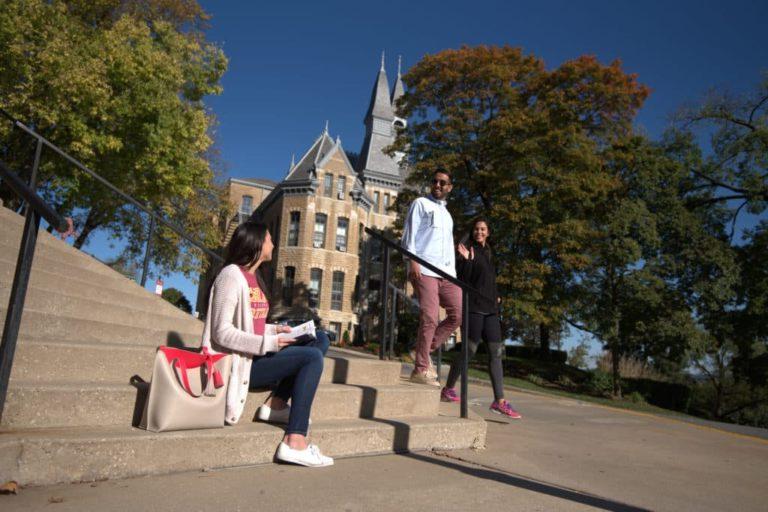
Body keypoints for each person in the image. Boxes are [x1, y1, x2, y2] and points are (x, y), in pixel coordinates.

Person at [201, 221, 333, 467]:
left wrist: (277, 330)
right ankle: (295, 441)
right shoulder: (231, 275)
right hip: (238, 365)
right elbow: (222, 332)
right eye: (270, 239)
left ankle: (277, 403)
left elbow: (251, 325)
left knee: (320, 338)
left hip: (256, 356)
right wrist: (269, 342)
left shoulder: (254, 278)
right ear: (257, 243)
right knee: (312, 358)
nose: (273, 243)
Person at [441, 219, 522, 419]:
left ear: (488, 232)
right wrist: (467, 260)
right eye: (477, 229)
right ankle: (449, 388)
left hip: (491, 310)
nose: (479, 232)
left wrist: (497, 295)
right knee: (470, 349)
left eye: (483, 229)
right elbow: (463, 280)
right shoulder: (467, 250)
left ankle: (499, 401)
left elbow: (489, 279)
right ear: (473, 232)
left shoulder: (489, 253)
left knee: (496, 352)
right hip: (474, 307)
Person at [401, 168, 462, 386]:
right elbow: (409, 234)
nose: (438, 185)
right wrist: (413, 262)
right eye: (435, 181)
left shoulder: (447, 215)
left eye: (443, 183)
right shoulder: (420, 204)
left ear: (449, 188)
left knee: (458, 315)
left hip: (447, 273)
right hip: (425, 269)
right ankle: (420, 369)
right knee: (430, 317)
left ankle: (421, 350)